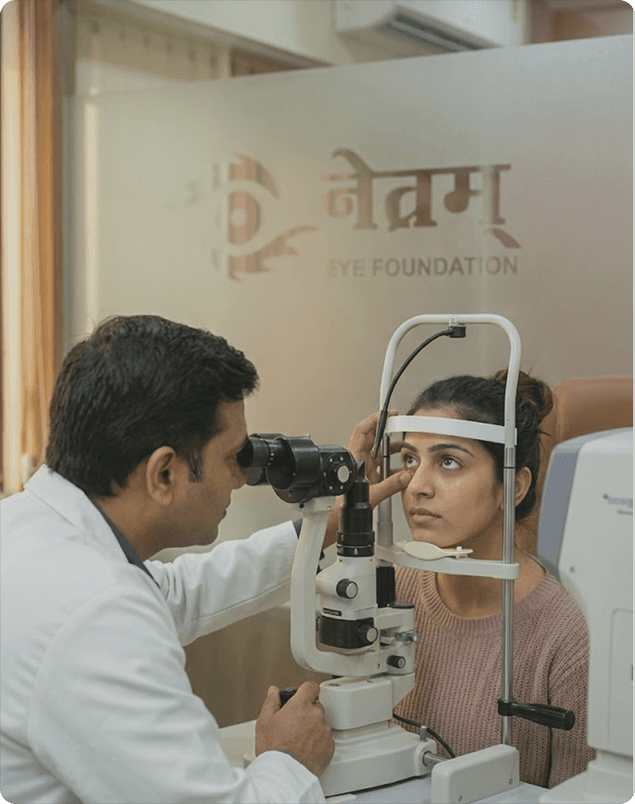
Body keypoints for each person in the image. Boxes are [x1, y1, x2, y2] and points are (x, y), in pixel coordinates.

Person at [0, 314, 409, 804]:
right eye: (230, 457)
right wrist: (288, 761)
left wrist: (326, 525)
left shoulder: (29, 530)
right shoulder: (98, 616)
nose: (240, 478)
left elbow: (177, 593)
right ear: (164, 474)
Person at [354, 370, 595, 789]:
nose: (417, 488)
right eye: (410, 459)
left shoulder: (569, 636)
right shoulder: (392, 588)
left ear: (513, 486)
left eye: (448, 462)